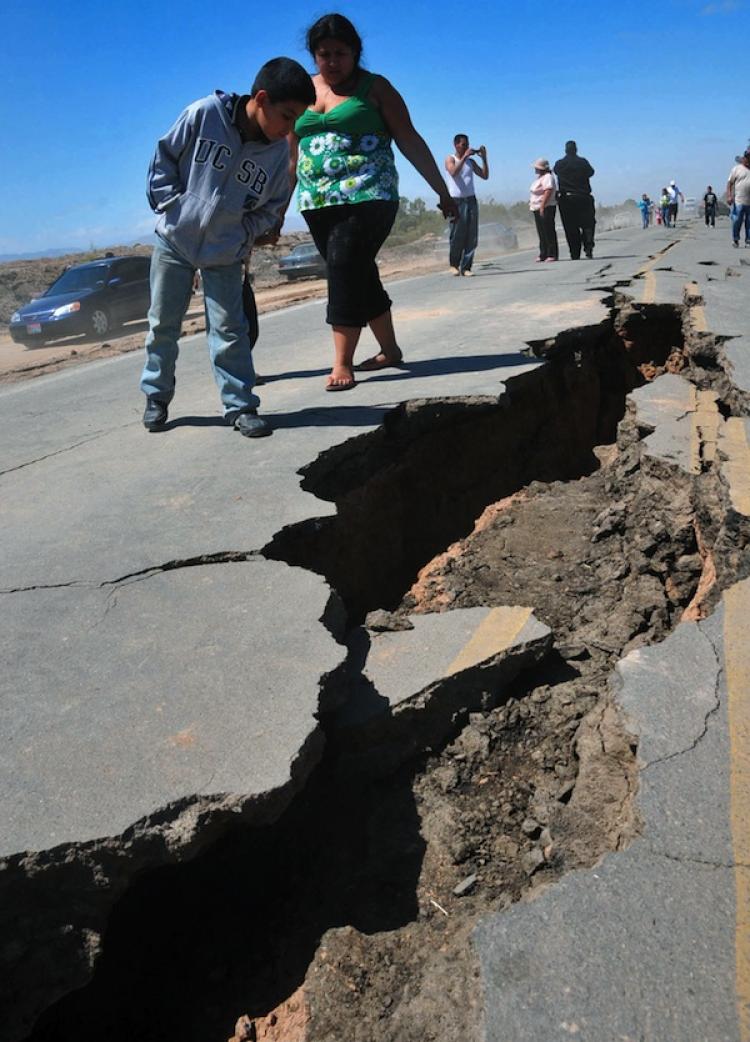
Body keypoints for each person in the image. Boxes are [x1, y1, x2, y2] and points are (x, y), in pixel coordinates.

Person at [140, 58, 315, 436]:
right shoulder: (204, 114)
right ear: (262, 99)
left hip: (225, 251)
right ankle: (156, 396)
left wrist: (243, 232)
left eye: (296, 120)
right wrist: (172, 205)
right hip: (175, 240)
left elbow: (273, 206)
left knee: (229, 329)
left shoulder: (276, 154)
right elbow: (165, 155)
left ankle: (239, 406)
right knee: (163, 324)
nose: (290, 128)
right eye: (286, 116)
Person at [289, 13, 458, 391]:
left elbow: (409, 139)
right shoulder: (303, 91)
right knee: (358, 271)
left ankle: (341, 363)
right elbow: (290, 156)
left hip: (370, 194)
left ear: (356, 53)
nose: (332, 62)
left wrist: (442, 192)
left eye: (340, 54)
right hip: (316, 201)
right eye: (323, 54)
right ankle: (390, 350)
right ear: (313, 55)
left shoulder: (376, 88)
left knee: (343, 266)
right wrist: (272, 209)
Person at [444, 134, 489, 276]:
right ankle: (453, 265)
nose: (466, 147)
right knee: (457, 234)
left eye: (467, 145)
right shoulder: (450, 159)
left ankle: (467, 267)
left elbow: (484, 175)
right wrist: (464, 158)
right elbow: (453, 172)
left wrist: (484, 158)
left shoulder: (470, 162)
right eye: (463, 145)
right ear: (456, 145)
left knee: (471, 235)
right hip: (456, 201)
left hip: (470, 199)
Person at [553, 141, 596, 259]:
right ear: (576, 150)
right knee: (588, 224)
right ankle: (588, 247)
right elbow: (591, 172)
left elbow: (555, 171)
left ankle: (574, 252)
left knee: (570, 227)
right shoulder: (582, 162)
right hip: (583, 197)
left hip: (566, 199)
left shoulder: (560, 164)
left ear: (565, 150)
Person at [529, 158, 559, 262]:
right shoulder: (539, 179)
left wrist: (542, 206)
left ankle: (552, 253)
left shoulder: (548, 177)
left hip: (546, 207)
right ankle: (543, 253)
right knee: (541, 232)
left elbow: (548, 190)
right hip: (536, 207)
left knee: (548, 230)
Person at [727, 151, 750, 248]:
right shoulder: (737, 169)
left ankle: (748, 240)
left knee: (749, 222)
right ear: (744, 158)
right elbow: (730, 183)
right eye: (748, 157)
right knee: (737, 220)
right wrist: (729, 196)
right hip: (739, 200)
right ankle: (735, 239)